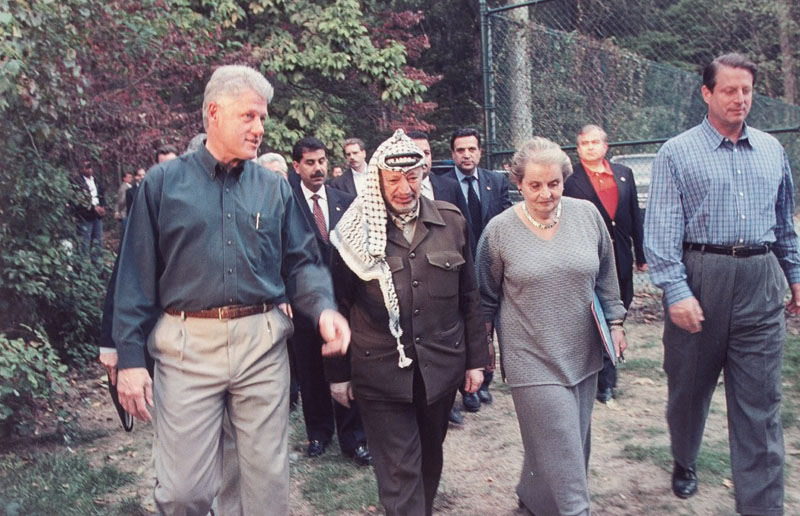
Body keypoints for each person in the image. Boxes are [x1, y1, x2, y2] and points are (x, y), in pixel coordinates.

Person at [112, 65, 350, 516]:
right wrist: (129, 361)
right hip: (185, 348)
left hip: (260, 343)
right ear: (214, 113)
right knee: (184, 491)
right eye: (249, 117)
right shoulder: (162, 185)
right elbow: (135, 279)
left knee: (265, 485)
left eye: (263, 118)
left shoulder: (273, 187)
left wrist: (322, 309)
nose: (260, 128)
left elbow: (301, 261)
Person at [644, 53, 800, 512]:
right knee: (688, 391)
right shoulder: (677, 152)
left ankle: (761, 506)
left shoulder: (772, 150)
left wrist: (794, 275)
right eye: (729, 90)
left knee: (760, 406)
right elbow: (662, 231)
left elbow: (784, 225)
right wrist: (676, 291)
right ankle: (685, 457)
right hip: (700, 280)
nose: (740, 99)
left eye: (747, 90)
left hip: (759, 280)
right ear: (707, 93)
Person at [327, 129, 488, 516]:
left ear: (423, 174)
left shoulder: (450, 221)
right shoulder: (354, 232)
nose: (404, 188)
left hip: (440, 370)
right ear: (378, 180)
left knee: (429, 460)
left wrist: (476, 361)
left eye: (412, 177)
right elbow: (337, 305)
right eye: (394, 179)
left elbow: (469, 296)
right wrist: (338, 374)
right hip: (379, 372)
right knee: (399, 470)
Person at [476, 136, 626, 516]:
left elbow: (606, 275)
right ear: (519, 183)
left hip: (583, 350)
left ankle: (533, 499)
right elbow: (485, 296)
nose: (546, 194)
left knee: (572, 443)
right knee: (562, 445)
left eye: (554, 184)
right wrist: (484, 345)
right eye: (535, 185)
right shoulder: (499, 231)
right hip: (531, 357)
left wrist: (616, 321)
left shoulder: (587, 215)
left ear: (564, 179)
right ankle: (577, 510)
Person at [289, 136, 371, 466]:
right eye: (309, 162)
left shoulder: (345, 200)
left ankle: (354, 439)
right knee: (310, 370)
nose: (318, 168)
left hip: (343, 301)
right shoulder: (287, 203)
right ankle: (319, 432)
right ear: (297, 167)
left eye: (322, 160)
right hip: (304, 306)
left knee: (346, 366)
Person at [564, 124, 647, 403]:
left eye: (595, 142)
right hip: (588, 258)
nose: (590, 147)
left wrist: (642, 256)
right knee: (591, 317)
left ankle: (608, 369)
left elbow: (635, 215)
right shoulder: (569, 179)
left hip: (621, 256)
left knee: (617, 314)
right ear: (577, 149)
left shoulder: (624, 175)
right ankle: (599, 378)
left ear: (605, 146)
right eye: (584, 143)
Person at [445, 127, 512, 412]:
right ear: (452, 154)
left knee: (490, 325)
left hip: (493, 266)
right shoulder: (443, 185)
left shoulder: (495, 182)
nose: (466, 155)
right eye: (460, 150)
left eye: (471, 149)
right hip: (459, 267)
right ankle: (467, 388)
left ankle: (486, 380)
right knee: (465, 327)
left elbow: (508, 220)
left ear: (480, 151)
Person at [71, 159, 106, 265]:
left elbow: (101, 195)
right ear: (81, 169)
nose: (90, 170)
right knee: (84, 243)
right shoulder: (77, 181)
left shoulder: (96, 181)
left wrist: (103, 207)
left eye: (90, 167)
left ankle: (97, 268)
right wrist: (92, 207)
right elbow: (78, 199)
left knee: (98, 243)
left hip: (97, 216)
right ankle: (83, 268)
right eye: (87, 167)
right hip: (85, 216)